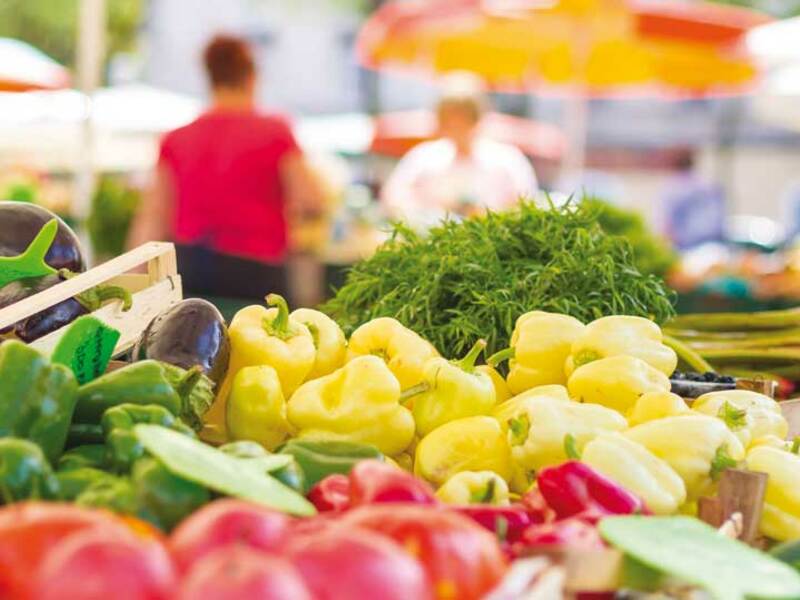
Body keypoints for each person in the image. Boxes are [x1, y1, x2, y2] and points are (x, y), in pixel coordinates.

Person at [128, 34, 324, 301]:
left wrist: (134, 283)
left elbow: (153, 216)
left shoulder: (177, 139)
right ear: (252, 77)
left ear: (210, 78)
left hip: (190, 268)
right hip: (257, 272)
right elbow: (310, 200)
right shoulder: (276, 132)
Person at [381, 73, 538, 228]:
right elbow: (393, 198)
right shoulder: (423, 158)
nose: (457, 125)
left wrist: (489, 215)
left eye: (463, 117)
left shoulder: (507, 160)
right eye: (450, 119)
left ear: (477, 117)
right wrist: (427, 214)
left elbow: (525, 204)